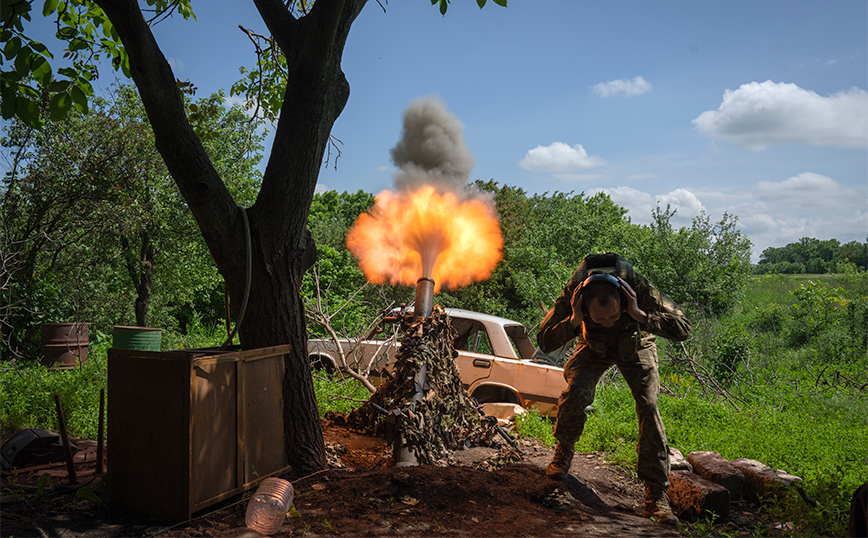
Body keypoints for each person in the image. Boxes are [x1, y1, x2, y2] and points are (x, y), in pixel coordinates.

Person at [537, 252, 692, 525]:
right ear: (584, 305)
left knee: (649, 406)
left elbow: (683, 327)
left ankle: (656, 496)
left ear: (625, 299)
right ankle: (564, 450)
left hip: (635, 344)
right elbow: (544, 339)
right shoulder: (575, 291)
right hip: (591, 345)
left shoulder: (639, 288)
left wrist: (639, 315)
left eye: (611, 317)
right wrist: (574, 320)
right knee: (574, 394)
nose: (606, 322)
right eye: (600, 319)